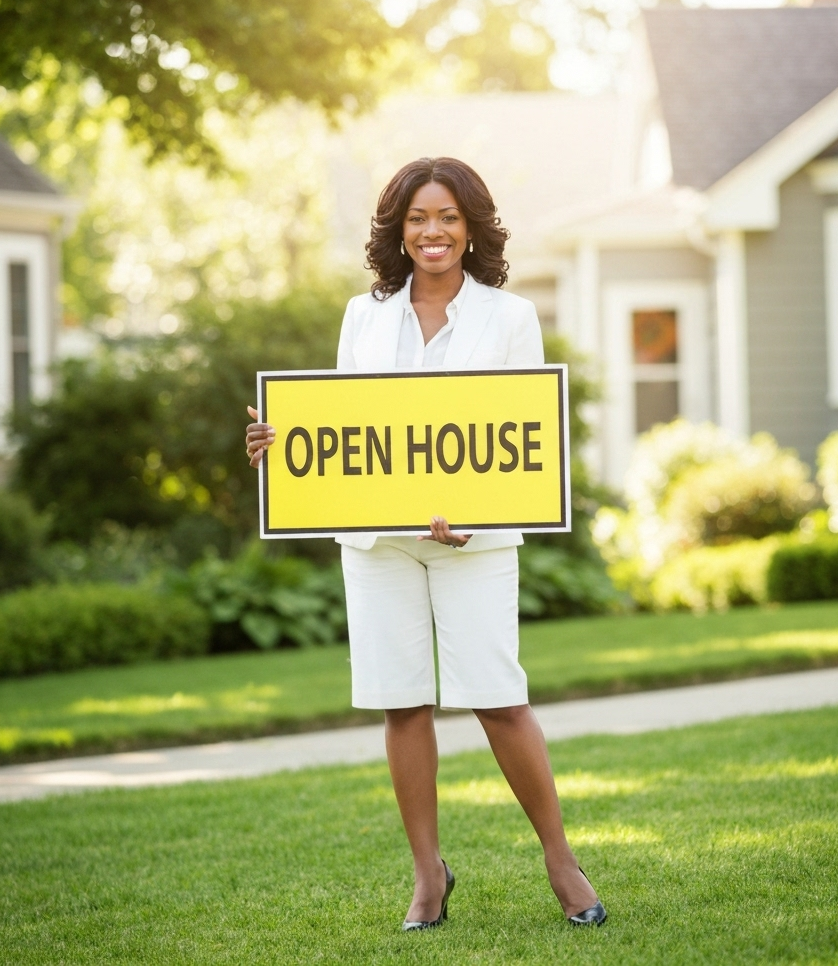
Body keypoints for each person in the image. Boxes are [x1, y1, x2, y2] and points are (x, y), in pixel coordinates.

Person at [245, 157, 606, 931]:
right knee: (401, 702)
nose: (432, 231)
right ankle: (427, 876)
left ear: (470, 227)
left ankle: (560, 859)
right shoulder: (362, 315)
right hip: (379, 545)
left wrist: (476, 506)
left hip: (471, 542)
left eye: (447, 217)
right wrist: (282, 440)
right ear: (397, 231)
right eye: (418, 218)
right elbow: (343, 425)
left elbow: (519, 437)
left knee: (500, 701)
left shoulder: (507, 317)